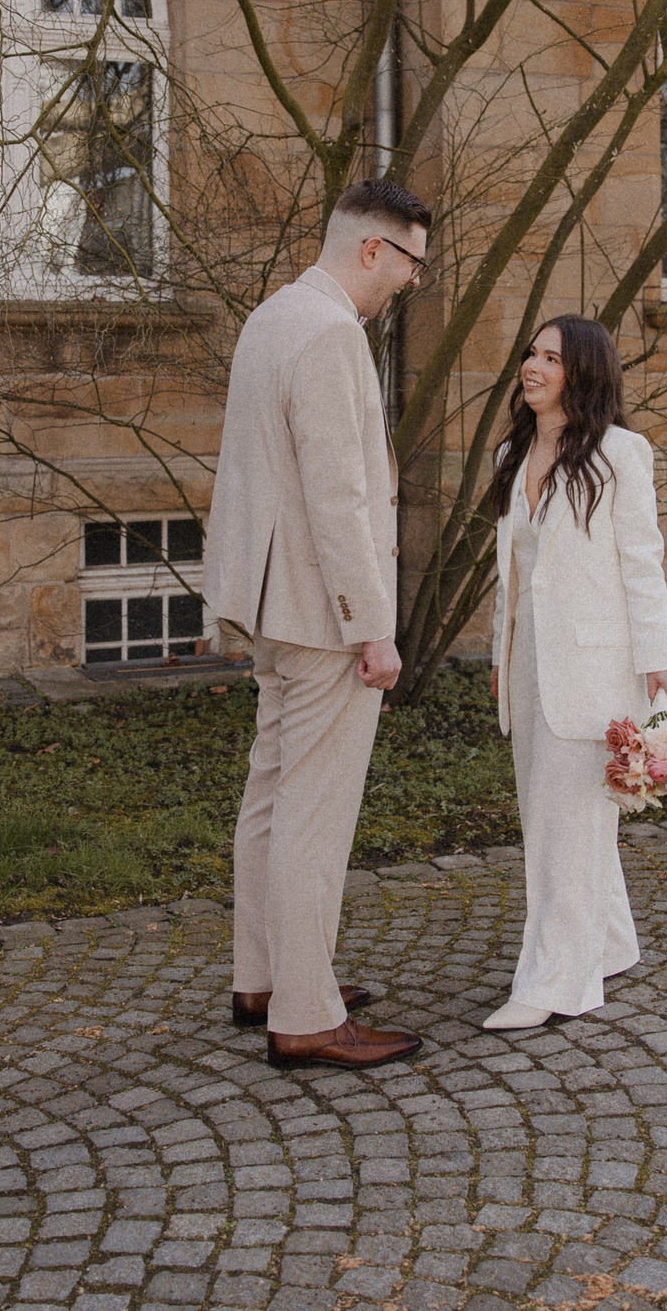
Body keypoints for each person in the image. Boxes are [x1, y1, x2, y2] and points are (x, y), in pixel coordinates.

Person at [202, 178, 433, 1070]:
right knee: (313, 810)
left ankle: (263, 976)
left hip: (270, 600)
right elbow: (338, 497)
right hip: (322, 610)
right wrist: (372, 625)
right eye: (411, 262)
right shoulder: (334, 333)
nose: (414, 281)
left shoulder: (274, 315)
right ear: (372, 248)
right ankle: (304, 1010)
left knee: (270, 793)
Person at [482, 314, 667, 1032]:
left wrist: (661, 656)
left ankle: (555, 981)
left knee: (559, 827)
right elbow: (512, 571)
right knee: (561, 816)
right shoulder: (513, 449)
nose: (531, 367)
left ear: (585, 372)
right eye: (529, 352)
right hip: (531, 665)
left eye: (550, 357)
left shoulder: (620, 454)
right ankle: (608, 941)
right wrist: (498, 653)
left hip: (597, 666)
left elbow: (642, 559)